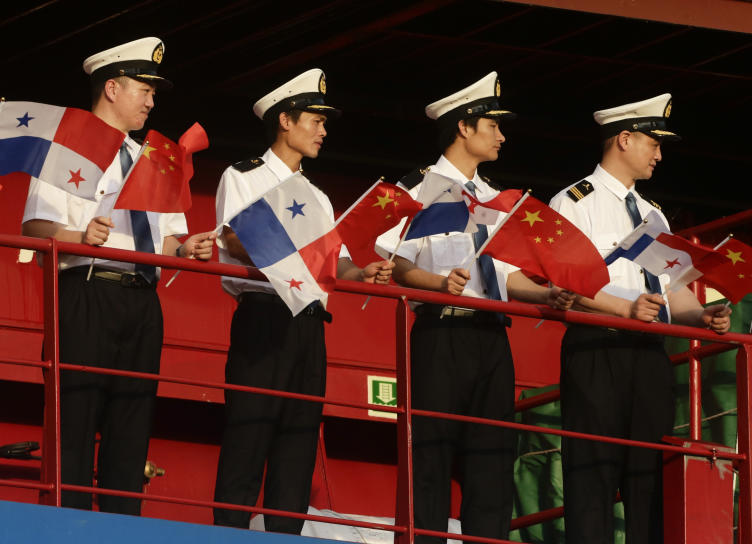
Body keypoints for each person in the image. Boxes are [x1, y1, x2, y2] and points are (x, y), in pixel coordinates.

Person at [377, 72, 574, 544]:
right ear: (464, 127)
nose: (502, 136)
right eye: (493, 125)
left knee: (492, 458)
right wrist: (440, 283)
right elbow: (396, 265)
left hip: (492, 336)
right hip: (440, 331)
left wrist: (546, 294)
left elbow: (506, 275)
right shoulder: (416, 189)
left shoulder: (495, 198)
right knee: (432, 455)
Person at [22, 37, 215, 515]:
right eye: (143, 89)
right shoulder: (67, 145)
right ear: (111, 87)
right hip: (86, 290)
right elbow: (34, 226)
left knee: (132, 423)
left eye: (154, 93)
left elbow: (167, 239)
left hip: (142, 299)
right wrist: (79, 233)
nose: (151, 101)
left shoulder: (156, 156)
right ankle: (63, 528)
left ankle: (121, 526)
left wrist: (187, 247)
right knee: (75, 421)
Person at [212, 68, 393, 535]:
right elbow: (233, 241)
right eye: (316, 119)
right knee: (247, 442)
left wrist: (363, 271)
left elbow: (339, 261)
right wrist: (289, 254)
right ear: (285, 120)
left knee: (297, 449)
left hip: (309, 325)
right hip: (264, 316)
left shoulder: (318, 195)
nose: (324, 131)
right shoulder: (243, 176)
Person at [549, 94, 731, 544]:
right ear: (624, 139)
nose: (659, 154)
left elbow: (671, 289)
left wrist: (703, 316)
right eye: (653, 142)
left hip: (648, 355)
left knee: (649, 478)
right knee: (591, 474)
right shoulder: (575, 202)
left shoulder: (653, 212)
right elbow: (562, 285)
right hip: (597, 348)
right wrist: (624, 309)